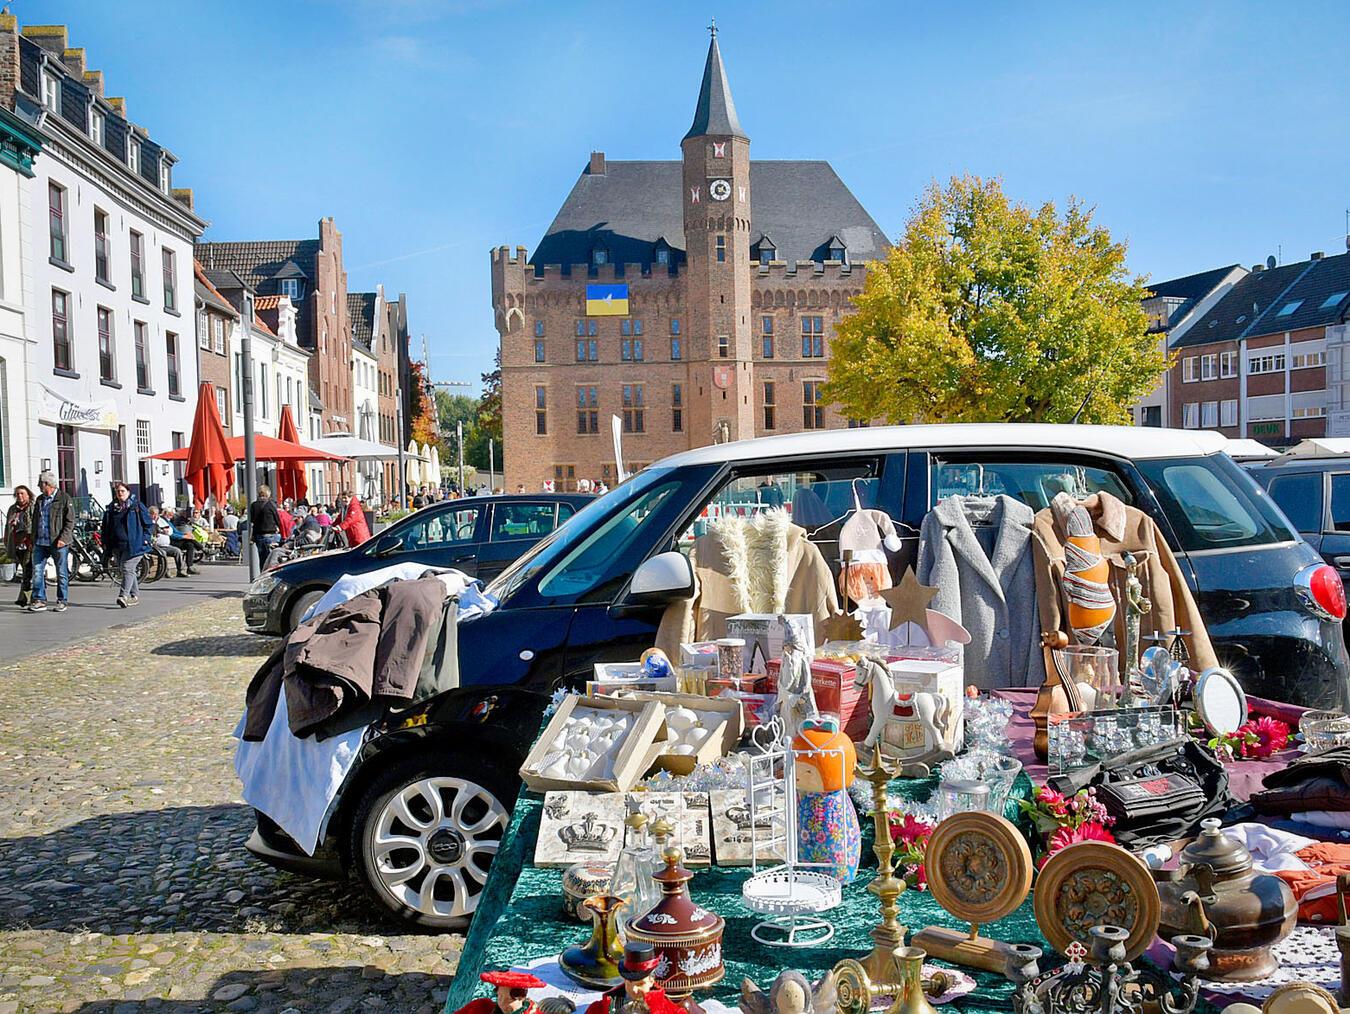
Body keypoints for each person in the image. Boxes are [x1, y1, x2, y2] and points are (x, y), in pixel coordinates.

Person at [101, 480, 152, 608]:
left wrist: (145, 539)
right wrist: (105, 542)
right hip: (118, 545)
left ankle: (123, 596)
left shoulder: (136, 506)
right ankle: (135, 596)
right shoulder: (111, 508)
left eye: (123, 491)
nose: (120, 493)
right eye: (118, 491)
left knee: (127, 568)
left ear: (128, 492)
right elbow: (106, 527)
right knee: (127, 571)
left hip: (135, 544)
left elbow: (148, 524)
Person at [29, 471, 73, 613]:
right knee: (37, 571)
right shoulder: (40, 500)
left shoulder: (64, 498)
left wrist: (64, 539)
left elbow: (70, 521)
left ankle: (62, 600)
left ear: (47, 484)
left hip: (57, 542)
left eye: (40, 484)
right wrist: (33, 538)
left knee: (61, 572)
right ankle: (40, 600)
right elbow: (35, 520)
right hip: (40, 542)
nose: (38, 486)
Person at [4, 484, 35, 608]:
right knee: (26, 572)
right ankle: (26, 598)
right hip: (17, 544)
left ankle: (30, 598)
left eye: (22, 493)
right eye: (17, 494)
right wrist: (7, 539)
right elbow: (7, 527)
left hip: (29, 543)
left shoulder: (32, 507)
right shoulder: (13, 509)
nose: (20, 496)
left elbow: (34, 525)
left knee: (28, 571)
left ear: (28, 495)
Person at [248, 484, 283, 568]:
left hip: (258, 535)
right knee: (271, 559)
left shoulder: (253, 505)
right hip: (270, 534)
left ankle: (262, 573)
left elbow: (252, 521)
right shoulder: (270, 504)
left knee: (262, 559)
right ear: (268, 493)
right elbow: (277, 519)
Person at [148, 506, 189, 577]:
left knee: (177, 551)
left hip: (166, 545)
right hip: (155, 546)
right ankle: (165, 571)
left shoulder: (161, 521)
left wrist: (166, 531)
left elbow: (170, 531)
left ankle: (180, 570)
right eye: (153, 514)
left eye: (156, 514)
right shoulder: (148, 522)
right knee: (162, 553)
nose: (155, 516)